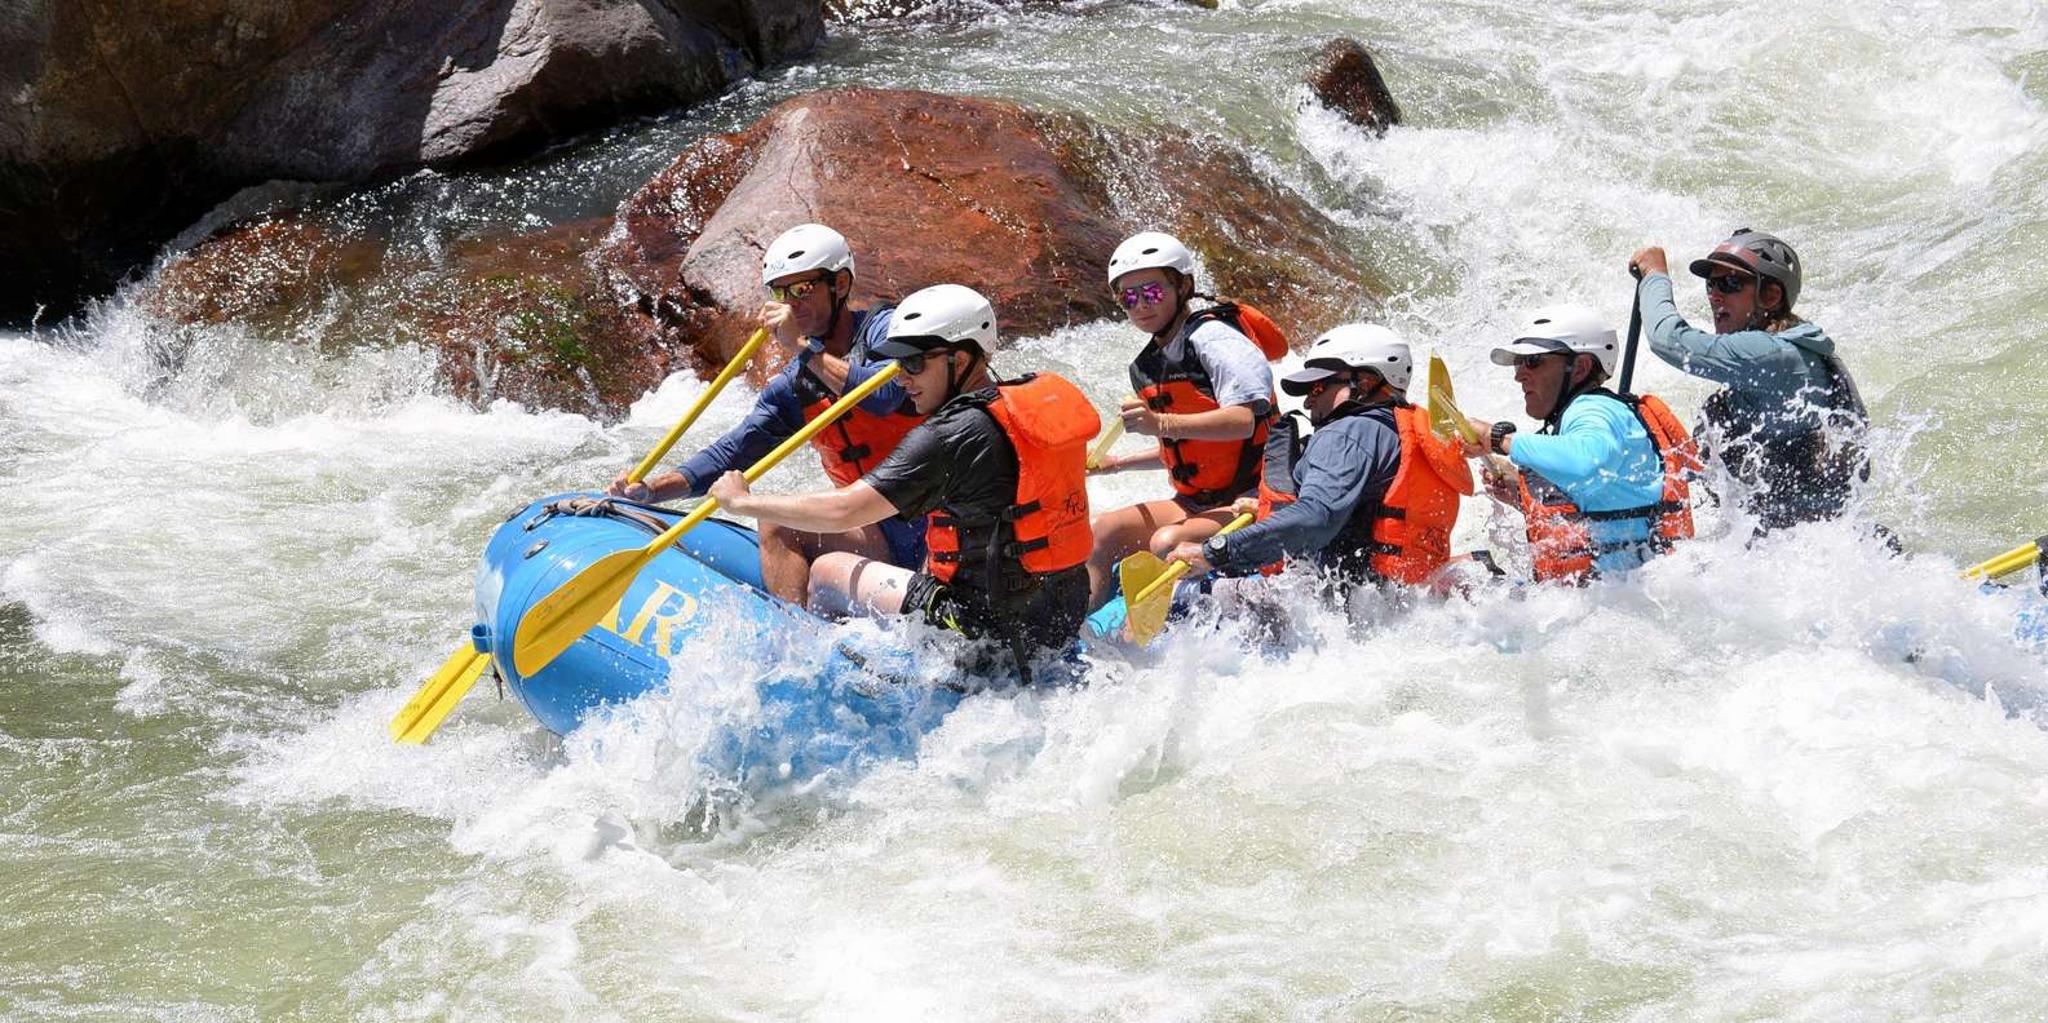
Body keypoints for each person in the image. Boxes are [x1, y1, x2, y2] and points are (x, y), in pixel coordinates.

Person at [708, 284, 1098, 682]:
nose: (901, 379)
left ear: (959, 359)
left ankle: (804, 674)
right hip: (1057, 616)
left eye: (913, 363)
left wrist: (743, 503)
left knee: (827, 570)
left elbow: (845, 510)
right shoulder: (1025, 407)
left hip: (981, 633)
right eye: (894, 365)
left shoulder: (949, 434)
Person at [608, 223, 925, 604]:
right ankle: (802, 641)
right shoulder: (795, 385)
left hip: (939, 525)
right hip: (876, 528)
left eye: (802, 289)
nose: (791, 303)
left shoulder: (887, 331)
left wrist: (803, 349)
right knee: (777, 520)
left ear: (839, 285)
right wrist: (649, 491)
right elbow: (734, 452)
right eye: (780, 292)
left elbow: (886, 393)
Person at [1162, 324, 1472, 591]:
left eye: (1319, 386)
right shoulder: (1399, 428)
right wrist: (1270, 510)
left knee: (1171, 596)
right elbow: (1358, 509)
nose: (1309, 402)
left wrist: (1216, 552)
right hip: (1389, 597)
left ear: (1364, 383)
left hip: (1334, 605)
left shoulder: (1346, 433)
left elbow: (1315, 520)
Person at [1630, 229, 1868, 533]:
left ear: (1770, 295)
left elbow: (1669, 340)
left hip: (1804, 548)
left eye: (1730, 283)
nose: (1714, 296)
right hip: (1802, 537)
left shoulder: (1774, 355)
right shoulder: (1796, 350)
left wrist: (1655, 275)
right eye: (1711, 284)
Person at [1086, 231, 1277, 608]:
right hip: (1196, 500)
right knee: (1102, 531)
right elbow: (1187, 451)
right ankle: (1075, 636)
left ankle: (1143, 640)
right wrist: (1116, 466)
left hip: (1256, 495)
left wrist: (1162, 424)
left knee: (1167, 542)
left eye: (1152, 292)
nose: (1141, 305)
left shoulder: (1216, 340)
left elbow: (1244, 421)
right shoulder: (1146, 364)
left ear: (1182, 286)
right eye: (1128, 297)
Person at [1462, 304, 1697, 583]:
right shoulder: (1592, 414)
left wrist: (1498, 439)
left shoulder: (1592, 409)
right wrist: (1520, 493)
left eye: (1534, 361)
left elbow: (1590, 460)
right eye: (1519, 363)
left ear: (1581, 367)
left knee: (1455, 577)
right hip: (1611, 599)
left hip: (1623, 606)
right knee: (1462, 575)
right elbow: (1600, 508)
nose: (1519, 374)